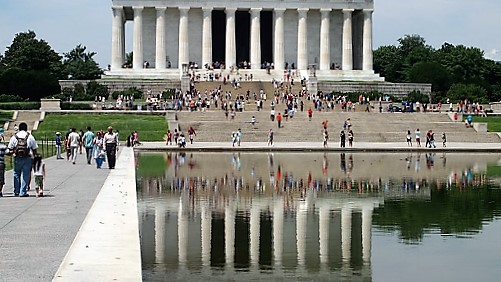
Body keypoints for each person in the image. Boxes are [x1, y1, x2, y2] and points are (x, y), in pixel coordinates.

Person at [7, 122, 38, 197]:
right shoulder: (29, 136)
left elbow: (10, 148)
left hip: (17, 157)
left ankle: (16, 191)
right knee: (26, 174)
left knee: (16, 174)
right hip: (27, 157)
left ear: (19, 128)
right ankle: (23, 191)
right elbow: (34, 148)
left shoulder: (15, 137)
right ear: (26, 128)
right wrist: (35, 158)